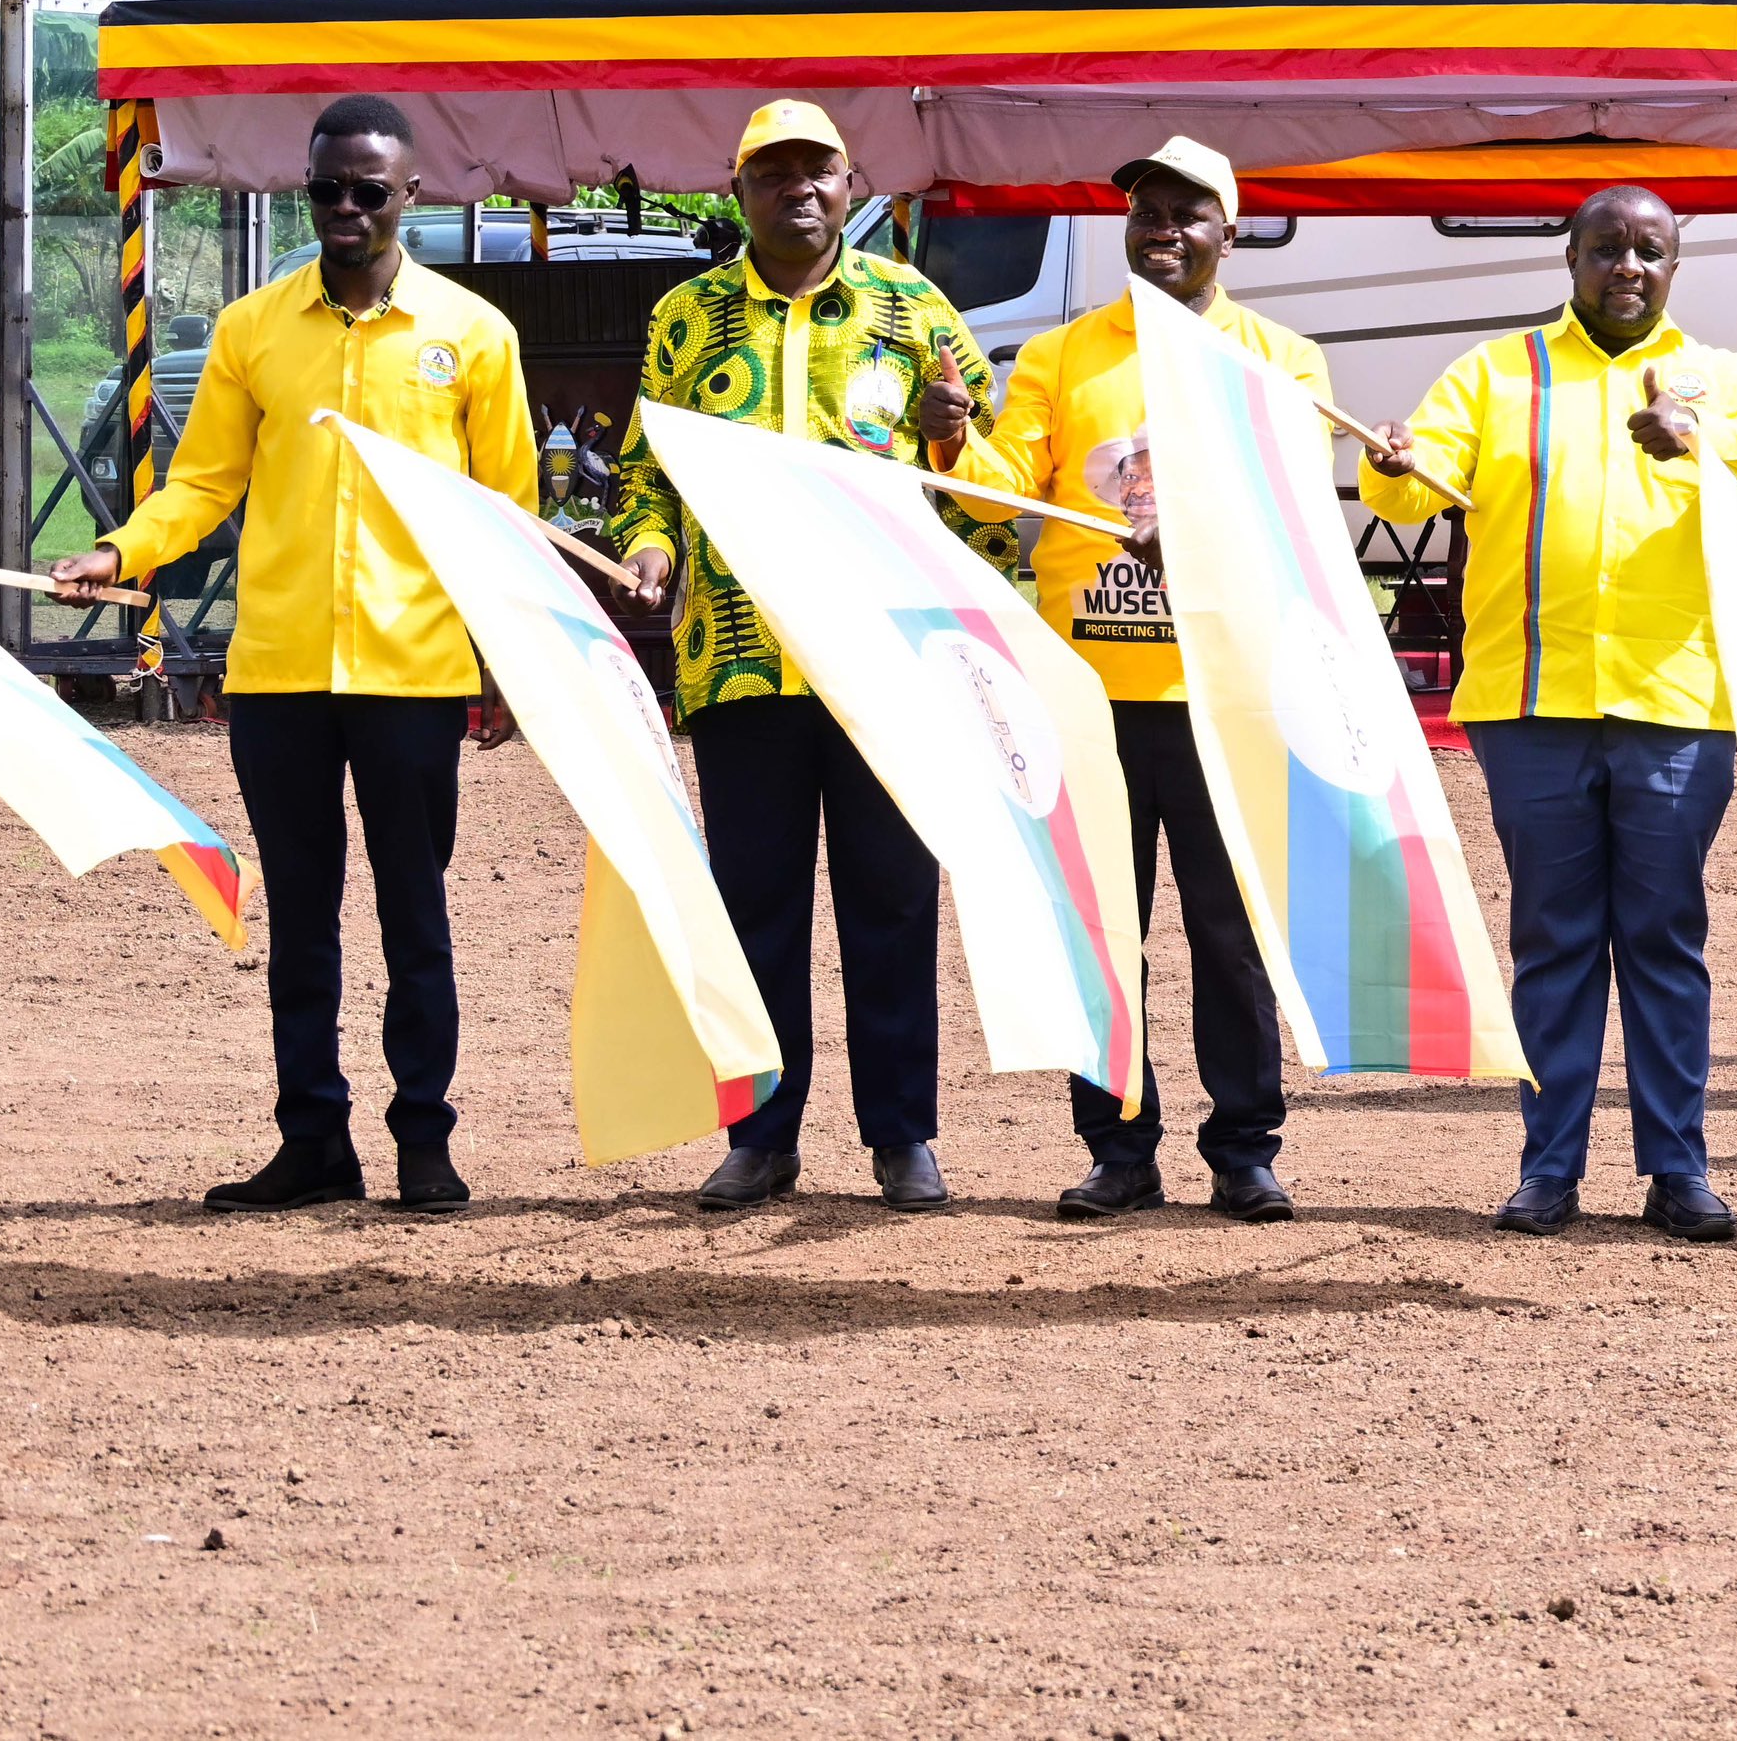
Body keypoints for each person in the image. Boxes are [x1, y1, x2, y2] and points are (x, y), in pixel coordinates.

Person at [68, 95, 533, 1214]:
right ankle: (312, 1139)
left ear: (411, 195)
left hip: (413, 675)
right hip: (276, 671)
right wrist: (122, 549)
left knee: (416, 917)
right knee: (303, 920)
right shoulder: (250, 329)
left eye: (368, 190)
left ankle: (426, 1138)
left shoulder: (473, 335)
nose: (343, 208)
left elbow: (506, 514)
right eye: (325, 187)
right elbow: (205, 485)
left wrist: (510, 663)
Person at [1359, 185, 1737, 1243]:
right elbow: (1417, 487)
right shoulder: (1496, 372)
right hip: (1529, 703)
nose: (1627, 269)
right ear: (1571, 258)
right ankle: (1547, 1169)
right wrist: (1391, 464)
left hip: (1676, 704)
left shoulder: (1723, 378)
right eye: (1607, 249)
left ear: (1675, 267)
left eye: (1650, 251)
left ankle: (1677, 1170)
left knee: (1663, 938)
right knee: (1552, 941)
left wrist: (1695, 441)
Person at [610, 101, 993, 1215]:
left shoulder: (912, 308)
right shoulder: (687, 316)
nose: (800, 193)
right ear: (738, 192)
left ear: (847, 180)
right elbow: (647, 472)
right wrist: (645, 549)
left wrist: (952, 435)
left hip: (885, 664)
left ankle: (903, 1137)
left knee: (891, 904)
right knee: (756, 909)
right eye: (774, 175)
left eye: (818, 173)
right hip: (738, 665)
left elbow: (989, 492)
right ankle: (760, 1135)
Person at [939, 136, 1328, 1226]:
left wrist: (1199, 548)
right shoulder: (1064, 356)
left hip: (1222, 699)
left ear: (1229, 232)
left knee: (1228, 938)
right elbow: (990, 497)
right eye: (1146, 212)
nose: (1162, 229)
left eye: (1186, 213)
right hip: (1084, 697)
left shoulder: (1280, 361)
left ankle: (1243, 1151)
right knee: (1099, 930)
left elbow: (1292, 516)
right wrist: (957, 438)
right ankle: (1117, 1151)